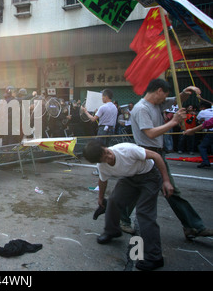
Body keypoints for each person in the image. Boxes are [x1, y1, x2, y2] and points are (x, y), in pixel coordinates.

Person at [130, 79, 213, 239]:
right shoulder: (141, 109)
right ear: (159, 91)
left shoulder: (157, 104)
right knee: (166, 190)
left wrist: (186, 91)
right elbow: (150, 133)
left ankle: (192, 226)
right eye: (165, 95)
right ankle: (194, 226)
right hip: (148, 154)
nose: (165, 99)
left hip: (157, 154)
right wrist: (174, 121)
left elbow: (176, 99)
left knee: (135, 189)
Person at [83, 140, 173, 271]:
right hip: (130, 178)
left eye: (107, 152)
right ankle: (112, 231)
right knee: (113, 201)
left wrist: (166, 180)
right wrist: (101, 198)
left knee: (144, 214)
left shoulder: (126, 150)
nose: (109, 157)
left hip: (150, 176)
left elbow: (156, 156)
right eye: (105, 158)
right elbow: (102, 180)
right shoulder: (102, 166)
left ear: (105, 147)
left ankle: (155, 257)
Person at [193, 101, 213, 168]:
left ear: (203, 107)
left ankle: (205, 162)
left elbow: (198, 120)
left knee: (202, 146)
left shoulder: (202, 112)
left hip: (211, 131)